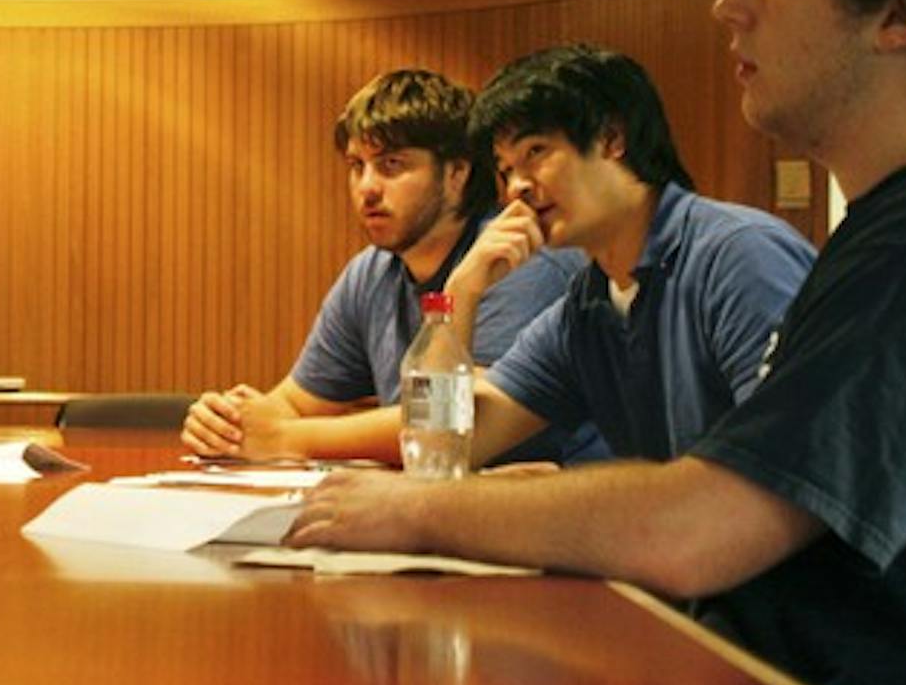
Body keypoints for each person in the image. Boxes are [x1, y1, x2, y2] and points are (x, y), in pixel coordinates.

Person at [288, 0, 906, 685]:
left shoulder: (893, 246)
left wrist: (421, 508)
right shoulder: (595, 295)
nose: (728, 4)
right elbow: (448, 438)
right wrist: (457, 301)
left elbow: (704, 523)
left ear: (901, 12)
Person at [181, 68, 606, 466]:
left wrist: (286, 437)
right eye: (356, 166)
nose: (366, 188)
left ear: (457, 173)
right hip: (453, 499)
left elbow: (455, 423)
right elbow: (294, 403)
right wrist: (226, 424)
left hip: (561, 503)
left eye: (391, 165)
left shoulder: (516, 257)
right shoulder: (371, 272)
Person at [439, 44, 814, 465]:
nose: (516, 187)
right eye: (506, 169)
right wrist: (458, 295)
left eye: (535, 152)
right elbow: (446, 447)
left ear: (612, 139)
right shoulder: (586, 307)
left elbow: (786, 467)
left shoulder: (740, 257)